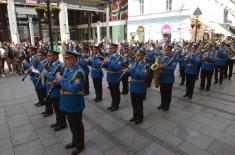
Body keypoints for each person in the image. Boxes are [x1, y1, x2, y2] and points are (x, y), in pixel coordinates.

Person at [57, 50, 85, 155]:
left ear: (75, 59)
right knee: (72, 125)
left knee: (77, 126)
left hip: (75, 104)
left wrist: (61, 80)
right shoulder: (67, 69)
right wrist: (58, 81)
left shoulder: (78, 72)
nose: (66, 60)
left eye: (69, 58)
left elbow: (74, 88)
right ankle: (74, 141)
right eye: (65, 58)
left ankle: (80, 145)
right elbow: (64, 84)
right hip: (67, 103)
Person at [45, 49, 67, 131]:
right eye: (48, 56)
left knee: (59, 108)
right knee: (55, 107)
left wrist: (46, 74)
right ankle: (58, 121)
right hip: (52, 89)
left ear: (55, 56)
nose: (48, 57)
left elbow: (57, 79)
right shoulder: (51, 65)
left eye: (50, 56)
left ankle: (62, 123)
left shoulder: (59, 65)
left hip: (57, 90)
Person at [127, 50, 148, 124]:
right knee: (133, 103)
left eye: (139, 55)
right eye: (137, 55)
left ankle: (140, 117)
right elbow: (130, 73)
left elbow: (142, 75)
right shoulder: (134, 63)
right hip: (132, 85)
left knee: (139, 103)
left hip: (139, 86)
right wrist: (126, 71)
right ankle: (135, 116)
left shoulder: (145, 65)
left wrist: (132, 70)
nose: (137, 56)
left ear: (143, 56)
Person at [104, 43, 123, 112]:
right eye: (109, 48)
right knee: (112, 92)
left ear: (115, 49)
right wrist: (104, 63)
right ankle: (113, 104)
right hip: (109, 76)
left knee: (116, 92)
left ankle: (116, 105)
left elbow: (117, 67)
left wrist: (108, 63)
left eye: (111, 48)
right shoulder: (109, 56)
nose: (109, 50)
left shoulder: (119, 57)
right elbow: (107, 65)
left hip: (115, 77)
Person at [157, 45, 177, 111]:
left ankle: (167, 105)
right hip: (162, 77)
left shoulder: (173, 58)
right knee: (162, 92)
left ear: (171, 51)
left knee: (168, 93)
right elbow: (159, 64)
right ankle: (162, 103)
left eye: (167, 50)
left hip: (169, 78)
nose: (166, 51)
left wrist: (162, 67)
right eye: (165, 50)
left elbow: (172, 69)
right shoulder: (163, 57)